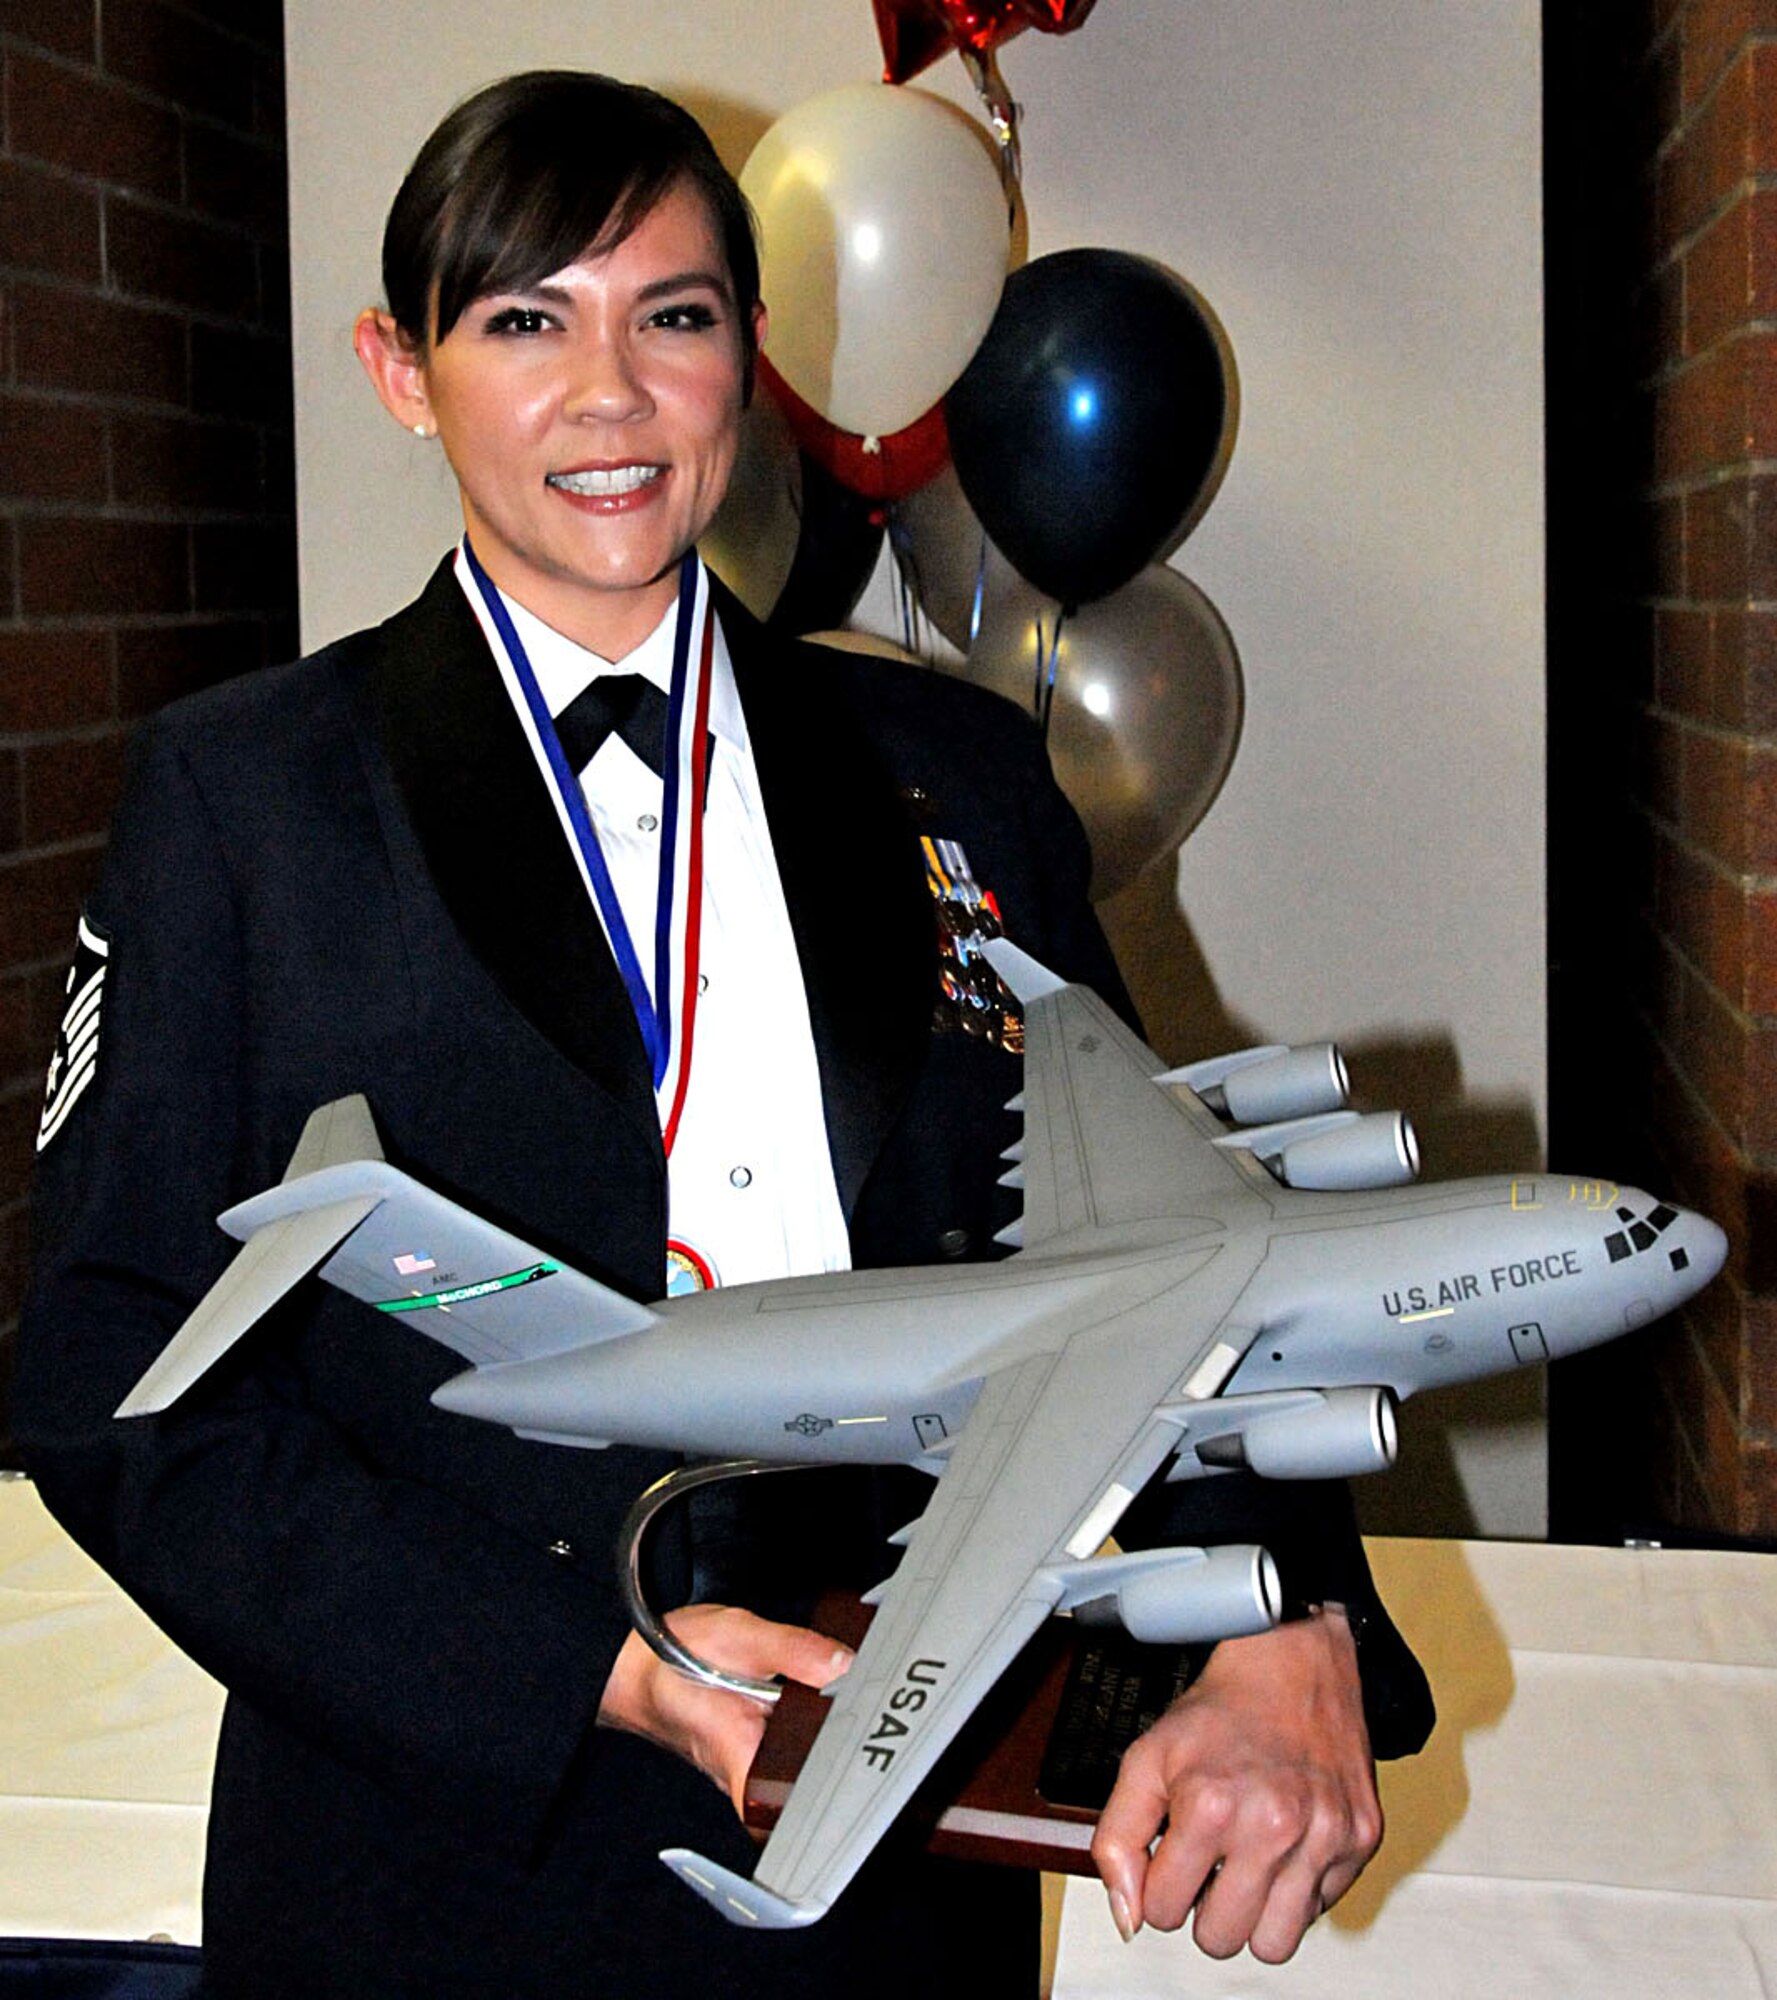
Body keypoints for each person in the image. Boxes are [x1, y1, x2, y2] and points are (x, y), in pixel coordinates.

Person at [12, 70, 1429, 1999]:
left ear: (749, 358)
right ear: (399, 369)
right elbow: (116, 1376)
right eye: (524, 319)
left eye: (670, 316)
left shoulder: (957, 770)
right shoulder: (242, 802)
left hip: (893, 1841)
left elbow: (1160, 1237)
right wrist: (593, 1669)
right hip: (435, 1862)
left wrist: (1285, 1614)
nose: (608, 394)